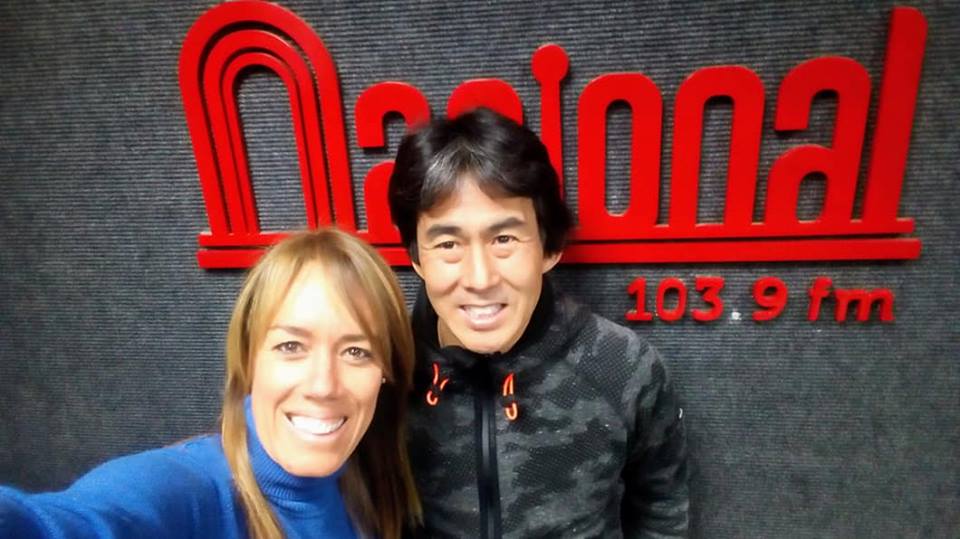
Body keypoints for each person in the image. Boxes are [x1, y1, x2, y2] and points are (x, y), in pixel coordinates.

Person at [0, 228, 421, 538]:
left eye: (356, 351)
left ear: (385, 373)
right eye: (291, 346)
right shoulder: (187, 491)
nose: (324, 385)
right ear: (249, 359)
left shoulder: (367, 478)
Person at [388, 108, 688, 538]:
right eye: (449, 244)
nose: (480, 279)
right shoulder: (383, 368)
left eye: (504, 239)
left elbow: (663, 508)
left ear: (549, 248)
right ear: (417, 259)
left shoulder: (623, 368)